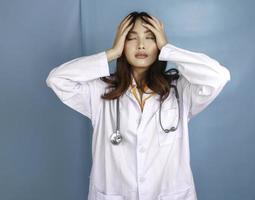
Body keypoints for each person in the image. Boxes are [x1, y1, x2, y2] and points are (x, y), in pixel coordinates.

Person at [46, 11, 231, 200]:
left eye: (150, 38)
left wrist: (168, 48)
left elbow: (219, 76)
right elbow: (57, 79)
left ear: (159, 44)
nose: (141, 45)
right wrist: (110, 54)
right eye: (131, 38)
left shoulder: (180, 90)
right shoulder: (100, 91)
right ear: (121, 44)